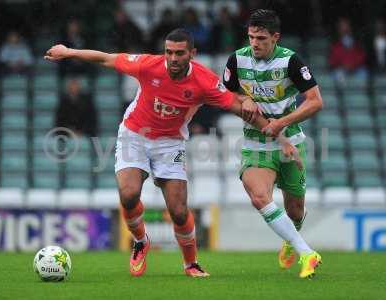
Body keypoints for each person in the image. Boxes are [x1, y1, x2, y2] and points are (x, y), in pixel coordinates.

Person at [44, 28, 300, 278]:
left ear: (192, 54)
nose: (173, 58)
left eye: (179, 53)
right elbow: (106, 58)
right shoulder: (147, 65)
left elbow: (239, 108)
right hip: (134, 135)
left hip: (170, 143)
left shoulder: (204, 80)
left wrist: (280, 137)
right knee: (129, 194)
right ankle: (141, 241)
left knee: (178, 211)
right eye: (169, 52)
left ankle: (191, 264)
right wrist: (68, 51)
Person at [223, 10, 323, 279]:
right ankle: (307, 253)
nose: (254, 43)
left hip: (290, 140)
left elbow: (315, 101)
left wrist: (282, 122)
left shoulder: (291, 61)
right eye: (251, 37)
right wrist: (243, 99)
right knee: (259, 197)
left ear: (275, 37)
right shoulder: (237, 59)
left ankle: (293, 237)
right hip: (255, 143)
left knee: (295, 210)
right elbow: (227, 94)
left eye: (261, 38)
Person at [328, 18, 368, 86]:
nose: (345, 29)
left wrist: (353, 65)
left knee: (364, 73)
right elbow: (332, 60)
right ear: (339, 29)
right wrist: (343, 66)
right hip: (342, 69)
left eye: (346, 26)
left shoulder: (357, 41)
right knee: (336, 75)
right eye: (342, 27)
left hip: (357, 68)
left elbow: (362, 56)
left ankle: (360, 93)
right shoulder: (335, 43)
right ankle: (342, 95)